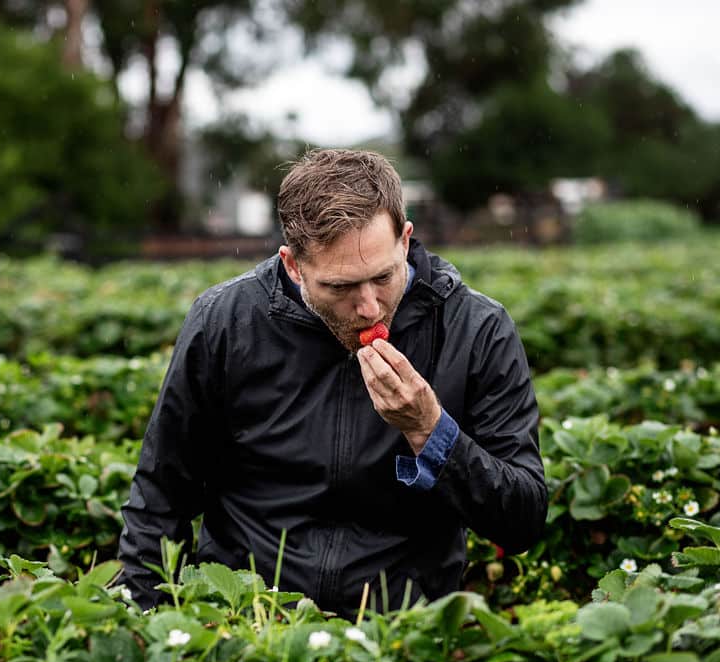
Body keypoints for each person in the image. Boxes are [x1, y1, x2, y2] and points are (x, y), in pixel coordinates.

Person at [118, 148, 547, 616]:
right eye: (340, 287)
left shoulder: (476, 328)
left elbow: (522, 520)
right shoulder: (226, 321)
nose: (369, 307)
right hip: (247, 620)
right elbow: (161, 494)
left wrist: (430, 430)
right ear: (293, 265)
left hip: (402, 630)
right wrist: (147, 623)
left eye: (383, 277)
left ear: (405, 240)